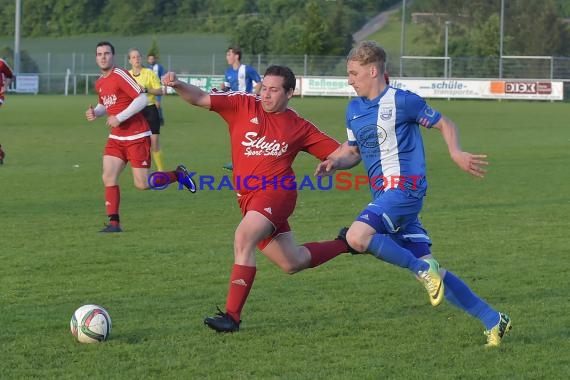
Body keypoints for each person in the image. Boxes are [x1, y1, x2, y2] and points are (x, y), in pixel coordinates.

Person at [316, 40, 512, 347]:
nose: (349, 80)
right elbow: (353, 152)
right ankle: (494, 319)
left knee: (357, 237)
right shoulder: (353, 109)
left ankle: (421, 269)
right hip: (386, 197)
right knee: (437, 271)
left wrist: (456, 152)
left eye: (353, 73)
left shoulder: (403, 101)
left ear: (373, 70)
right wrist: (334, 162)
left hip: (405, 188)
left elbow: (444, 123)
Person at [162, 65, 352, 333]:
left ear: (290, 93)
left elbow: (344, 153)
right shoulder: (241, 104)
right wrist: (178, 84)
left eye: (274, 90)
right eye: (264, 87)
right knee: (292, 262)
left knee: (243, 237)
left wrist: (338, 160)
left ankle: (232, 317)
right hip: (248, 199)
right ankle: (347, 243)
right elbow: (199, 97)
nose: (266, 94)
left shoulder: (299, 126)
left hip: (277, 192)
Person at [86, 41, 192, 233]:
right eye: (99, 54)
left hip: (137, 135)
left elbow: (141, 99)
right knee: (108, 176)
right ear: (96, 58)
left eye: (107, 53)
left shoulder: (120, 75)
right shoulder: (100, 82)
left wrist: (119, 117)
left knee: (142, 184)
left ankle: (179, 175)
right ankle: (114, 223)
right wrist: (97, 112)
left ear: (113, 56)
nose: (103, 57)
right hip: (117, 138)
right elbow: (105, 104)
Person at [221, 45, 262, 171]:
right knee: (236, 134)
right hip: (234, 107)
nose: (227, 57)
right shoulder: (228, 72)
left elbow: (259, 82)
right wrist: (222, 88)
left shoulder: (246, 69)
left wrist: (253, 96)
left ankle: (252, 160)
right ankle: (237, 161)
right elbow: (226, 88)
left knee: (247, 133)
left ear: (236, 56)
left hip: (246, 107)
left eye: (229, 54)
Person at [128, 48, 165, 171]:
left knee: (154, 143)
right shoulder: (127, 76)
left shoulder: (149, 73)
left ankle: (160, 170)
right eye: (133, 57)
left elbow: (160, 90)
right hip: (135, 112)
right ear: (129, 60)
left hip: (150, 110)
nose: (136, 59)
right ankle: (142, 169)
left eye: (138, 56)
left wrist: (146, 89)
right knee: (140, 144)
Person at [147, 53, 166, 126]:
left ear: (155, 59)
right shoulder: (146, 69)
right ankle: (151, 119)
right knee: (150, 105)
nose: (151, 60)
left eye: (152, 59)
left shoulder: (159, 67)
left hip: (157, 88)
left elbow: (163, 77)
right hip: (149, 89)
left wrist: (165, 88)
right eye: (150, 59)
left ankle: (161, 119)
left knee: (157, 105)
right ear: (148, 60)